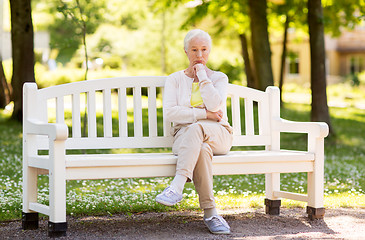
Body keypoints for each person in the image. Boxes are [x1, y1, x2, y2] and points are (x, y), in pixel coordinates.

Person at [156, 29, 233, 235]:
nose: (199, 55)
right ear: (186, 51)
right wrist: (205, 114)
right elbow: (172, 114)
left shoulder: (219, 78)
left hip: (219, 133)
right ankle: (211, 213)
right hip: (185, 137)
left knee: (197, 130)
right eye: (194, 50)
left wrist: (201, 75)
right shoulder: (174, 79)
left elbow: (216, 104)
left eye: (204, 50)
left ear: (210, 51)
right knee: (201, 148)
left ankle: (177, 186)